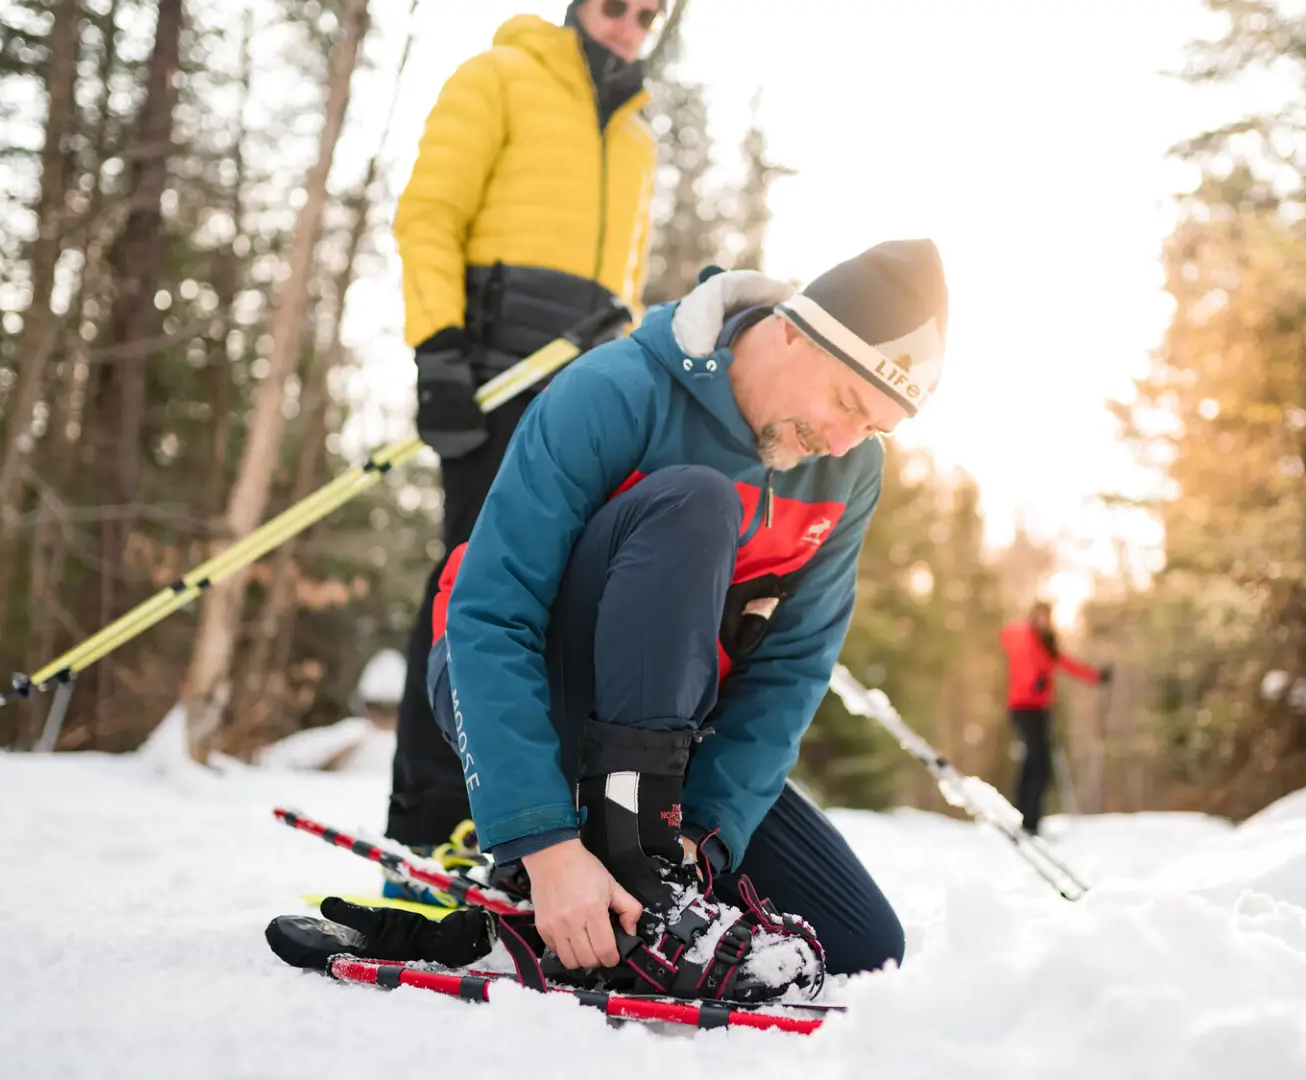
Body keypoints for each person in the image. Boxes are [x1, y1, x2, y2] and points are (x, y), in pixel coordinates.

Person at [405, 240, 950, 1002]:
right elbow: (492, 617)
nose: (844, 441)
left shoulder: (848, 472)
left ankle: (652, 861)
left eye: (876, 429)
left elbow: (791, 670)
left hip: (667, 744)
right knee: (695, 501)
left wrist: (703, 835)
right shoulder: (613, 391)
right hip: (516, 683)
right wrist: (546, 843)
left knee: (861, 944)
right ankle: (612, 856)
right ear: (794, 329)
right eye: (849, 404)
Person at [384, 0, 664, 871]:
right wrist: (438, 353)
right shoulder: (498, 76)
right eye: (617, 6)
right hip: (493, 372)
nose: (629, 25)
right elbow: (428, 215)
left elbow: (626, 282)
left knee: (570, 591)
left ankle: (532, 815)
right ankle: (431, 821)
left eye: (649, 15)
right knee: (476, 579)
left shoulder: (638, 140)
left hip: (585, 386)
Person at [998, 601, 1110, 836]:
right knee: (1038, 764)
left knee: (1034, 764)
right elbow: (1021, 659)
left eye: (1047, 617)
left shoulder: (1047, 644)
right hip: (1023, 707)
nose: (1043, 621)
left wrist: (1096, 677)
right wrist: (1034, 680)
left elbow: (1068, 664)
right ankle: (1027, 821)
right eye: (1039, 616)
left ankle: (1027, 819)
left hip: (1040, 710)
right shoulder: (1024, 636)